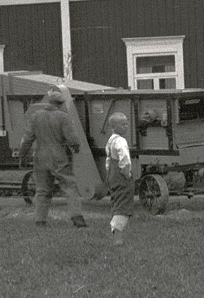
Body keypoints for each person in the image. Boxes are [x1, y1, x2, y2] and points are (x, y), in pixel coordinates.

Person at [18, 87, 88, 228]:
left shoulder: (36, 116)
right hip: (59, 157)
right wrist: (76, 147)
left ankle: (40, 221)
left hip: (40, 158)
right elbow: (72, 139)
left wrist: (22, 156)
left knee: (42, 190)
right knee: (69, 187)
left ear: (48, 101)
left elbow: (26, 139)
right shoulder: (63, 117)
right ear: (60, 103)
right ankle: (77, 218)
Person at [104, 112, 135, 246]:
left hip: (112, 176)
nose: (126, 126)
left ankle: (116, 236)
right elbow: (125, 160)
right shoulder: (121, 141)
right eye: (123, 124)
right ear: (114, 126)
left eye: (127, 123)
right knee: (123, 208)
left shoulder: (110, 140)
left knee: (117, 204)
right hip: (121, 177)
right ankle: (118, 239)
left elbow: (108, 161)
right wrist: (127, 174)